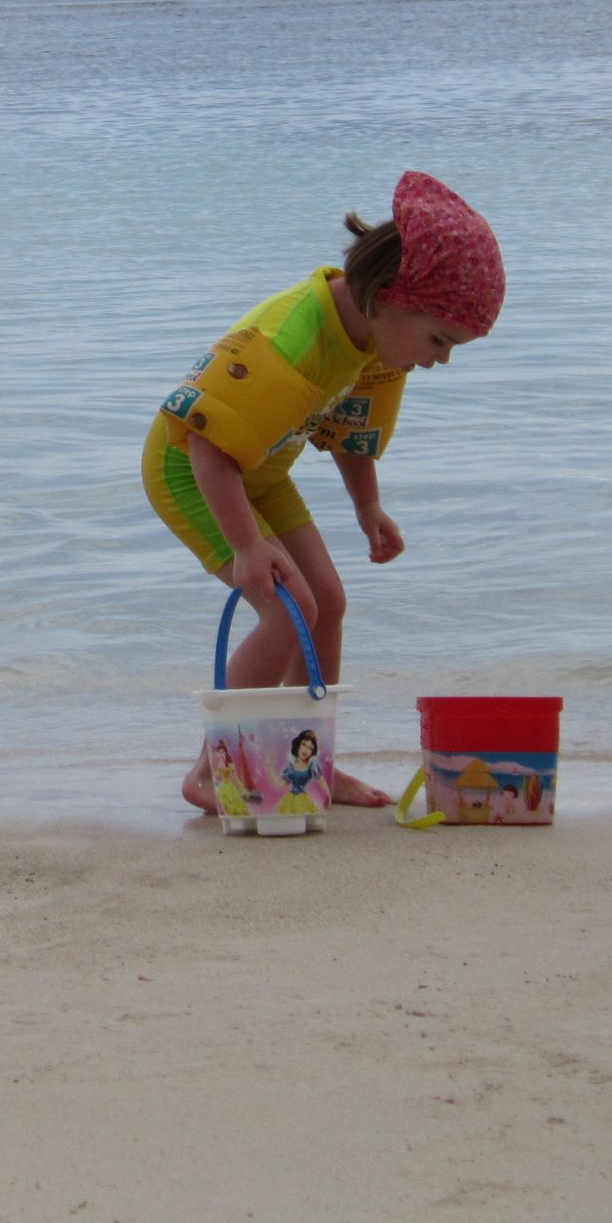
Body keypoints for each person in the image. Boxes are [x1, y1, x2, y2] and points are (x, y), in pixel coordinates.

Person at [144, 171, 505, 813]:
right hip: (192, 469)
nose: (441, 360)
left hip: (260, 470)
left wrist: (368, 507)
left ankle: (309, 762)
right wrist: (246, 545)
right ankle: (209, 770)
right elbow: (206, 443)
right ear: (389, 297)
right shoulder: (293, 340)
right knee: (289, 609)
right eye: (439, 340)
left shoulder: (379, 341)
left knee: (327, 603)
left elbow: (352, 435)